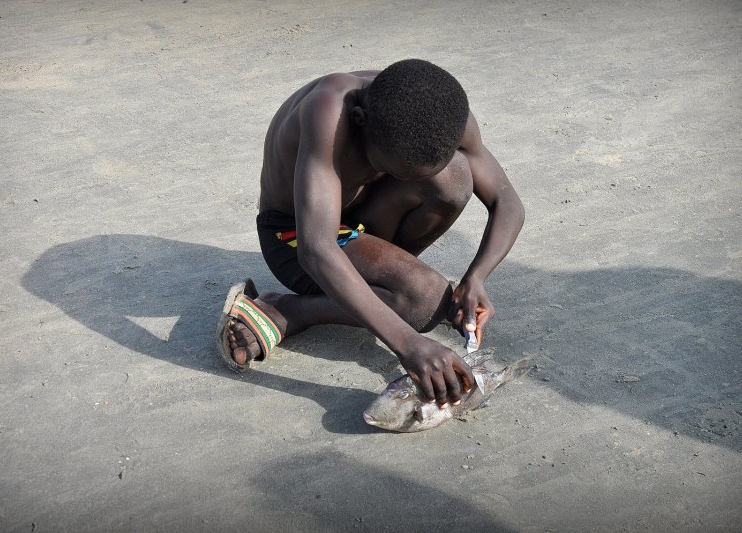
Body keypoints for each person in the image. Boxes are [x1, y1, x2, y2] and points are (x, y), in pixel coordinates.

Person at [216, 59, 524, 409]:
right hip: (297, 234)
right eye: (389, 168)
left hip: (359, 225)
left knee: (452, 179)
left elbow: (508, 202)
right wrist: (408, 344)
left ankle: (381, 281)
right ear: (361, 123)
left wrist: (477, 277)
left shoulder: (446, 113)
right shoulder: (328, 111)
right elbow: (316, 250)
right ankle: (294, 309)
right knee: (424, 301)